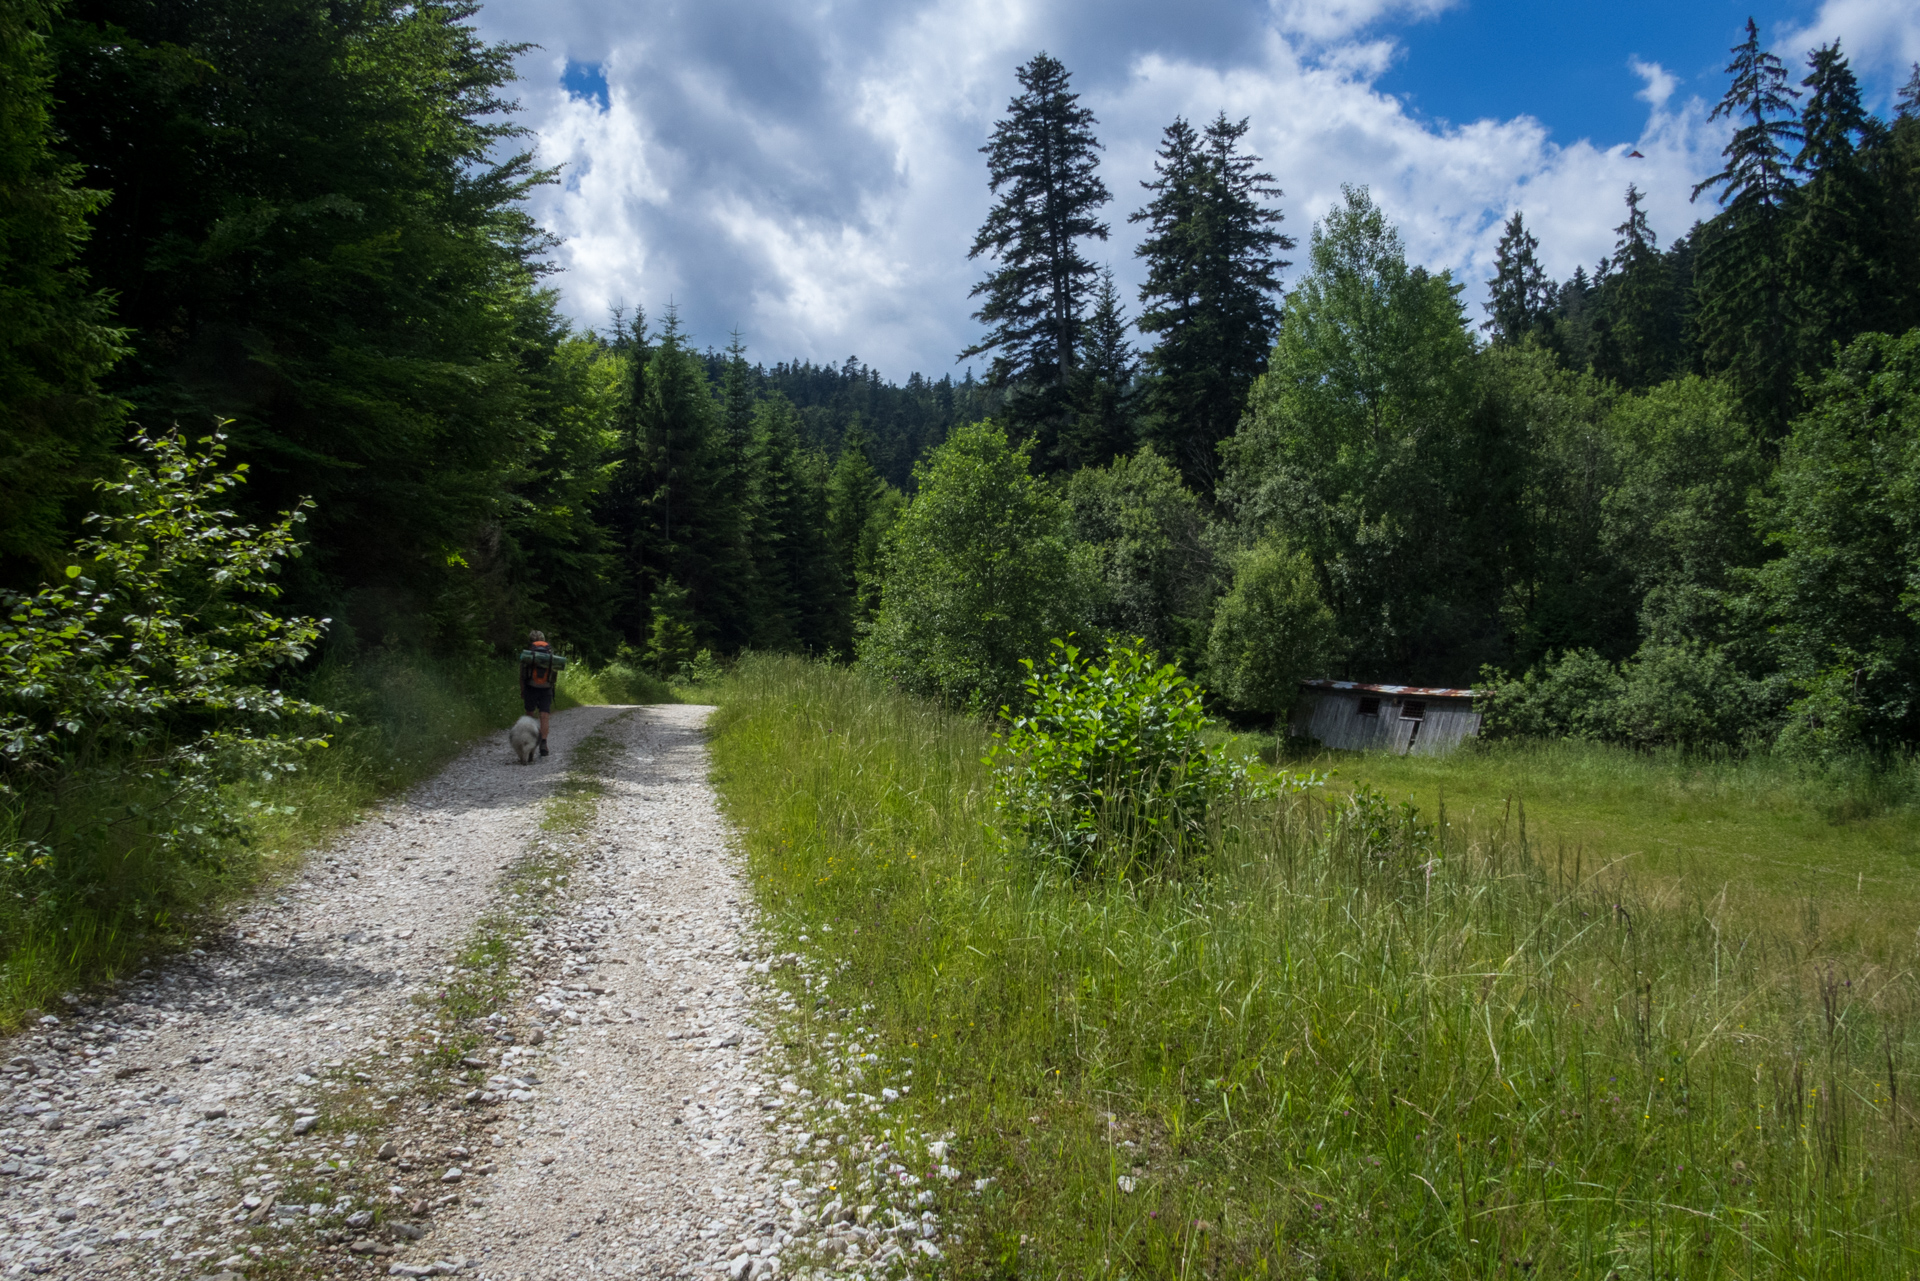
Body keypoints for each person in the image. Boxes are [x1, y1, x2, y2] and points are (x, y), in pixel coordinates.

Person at [519, 630, 563, 757]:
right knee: (544, 715)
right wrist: (551, 686)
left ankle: (529, 742)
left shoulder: (528, 654)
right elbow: (554, 673)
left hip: (530, 686)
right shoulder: (549, 653)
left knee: (529, 714)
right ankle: (543, 743)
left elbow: (522, 675)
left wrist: (523, 690)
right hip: (546, 687)